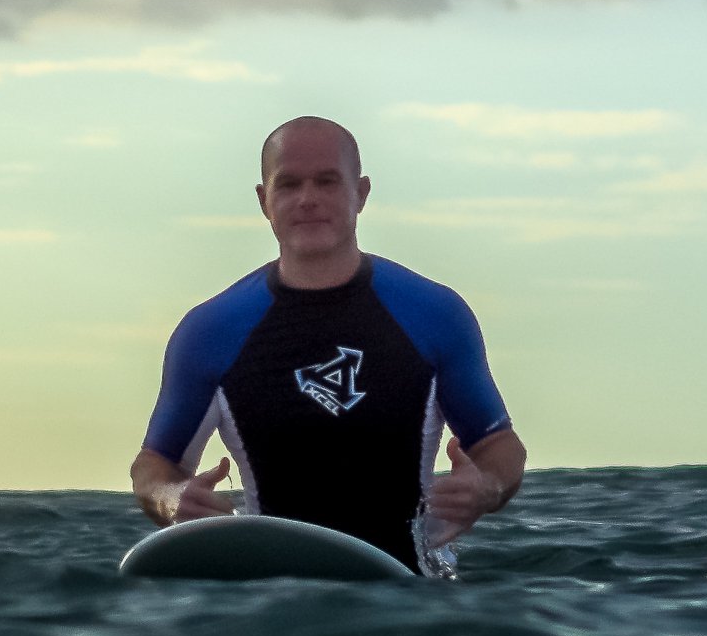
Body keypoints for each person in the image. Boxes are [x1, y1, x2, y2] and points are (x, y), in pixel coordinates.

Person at [130, 116, 525, 572]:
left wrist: (487, 488)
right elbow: (154, 464)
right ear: (264, 201)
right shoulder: (210, 332)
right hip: (269, 601)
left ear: (362, 192)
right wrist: (169, 498)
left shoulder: (434, 315)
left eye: (327, 181)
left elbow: (499, 445)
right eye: (289, 184)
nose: (308, 199)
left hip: (409, 595)